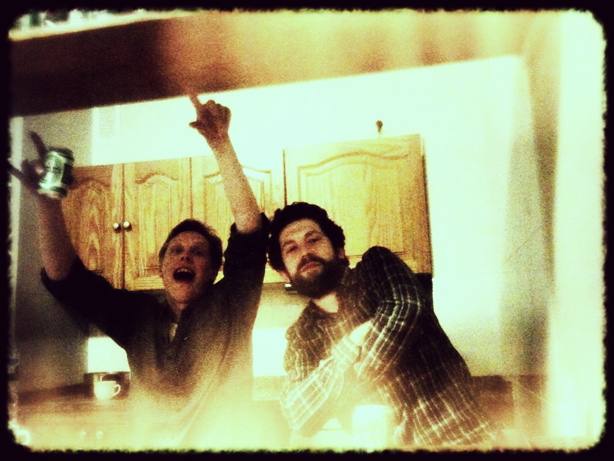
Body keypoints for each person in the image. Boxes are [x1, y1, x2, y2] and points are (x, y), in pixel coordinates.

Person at [10, 98, 269, 450]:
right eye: (176, 250)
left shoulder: (232, 306)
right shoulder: (137, 317)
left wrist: (221, 145)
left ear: (213, 271)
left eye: (198, 252)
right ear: (161, 268)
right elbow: (65, 278)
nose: (186, 255)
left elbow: (251, 234)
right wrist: (47, 202)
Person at [267, 202, 497, 449]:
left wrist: (335, 384)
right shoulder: (302, 336)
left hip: (463, 441)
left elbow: (406, 311)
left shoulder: (376, 267)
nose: (305, 252)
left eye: (313, 240)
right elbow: (299, 416)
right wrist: (351, 342)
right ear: (284, 273)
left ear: (340, 250)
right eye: (291, 248)